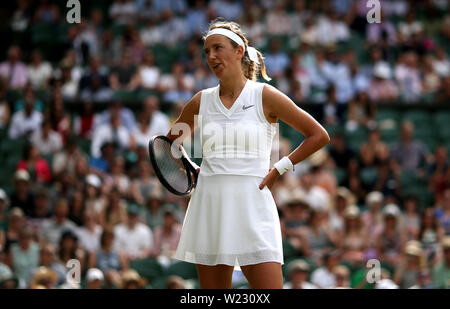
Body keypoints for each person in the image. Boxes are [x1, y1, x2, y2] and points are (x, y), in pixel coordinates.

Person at [166, 19, 329, 289]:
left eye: (217, 48)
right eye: (206, 52)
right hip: (210, 204)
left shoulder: (266, 96)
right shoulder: (199, 102)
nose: (211, 56)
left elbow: (318, 135)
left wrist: (280, 168)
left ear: (239, 51)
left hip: (253, 204)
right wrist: (191, 166)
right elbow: (171, 143)